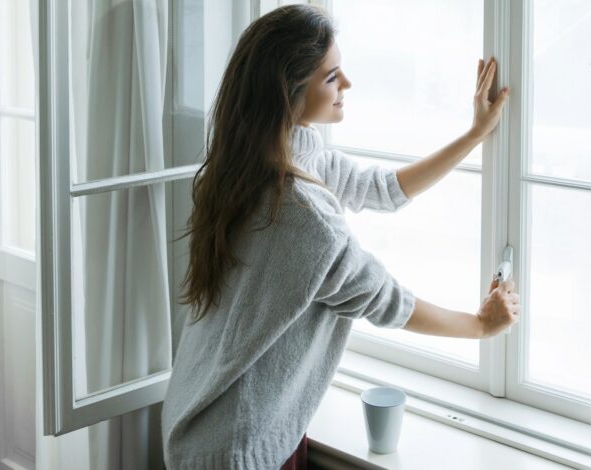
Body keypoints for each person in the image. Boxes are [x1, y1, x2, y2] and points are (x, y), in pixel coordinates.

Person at [160, 4, 519, 469]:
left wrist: (474, 135)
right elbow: (386, 300)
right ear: (287, 92)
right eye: (331, 77)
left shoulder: (264, 157)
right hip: (236, 448)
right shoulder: (302, 217)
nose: (346, 85)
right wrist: (481, 326)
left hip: (202, 418)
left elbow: (382, 190)